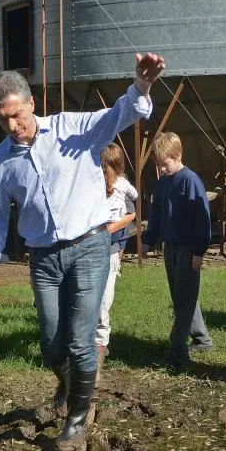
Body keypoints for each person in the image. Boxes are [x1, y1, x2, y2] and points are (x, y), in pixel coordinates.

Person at [0, 52, 165, 451]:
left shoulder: (73, 129)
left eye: (17, 114)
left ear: (31, 103)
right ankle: (70, 384)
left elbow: (120, 114)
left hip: (90, 248)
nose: (12, 125)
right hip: (44, 258)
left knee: (81, 341)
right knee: (51, 342)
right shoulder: (2, 161)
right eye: (3, 119)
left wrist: (142, 85)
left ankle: (76, 419)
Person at [140, 132, 213, 373]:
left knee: (184, 299)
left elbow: (202, 218)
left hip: (188, 248)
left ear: (177, 156)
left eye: (165, 164)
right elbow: (157, 213)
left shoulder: (190, 181)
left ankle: (178, 351)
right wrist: (149, 239)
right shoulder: (164, 182)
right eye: (158, 166)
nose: (161, 169)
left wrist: (199, 250)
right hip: (169, 247)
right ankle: (202, 339)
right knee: (182, 296)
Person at [95, 143, 138, 367]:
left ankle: (101, 343)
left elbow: (132, 214)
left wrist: (117, 240)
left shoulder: (122, 187)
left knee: (104, 299)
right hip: (90, 248)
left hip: (110, 248)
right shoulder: (91, 183)